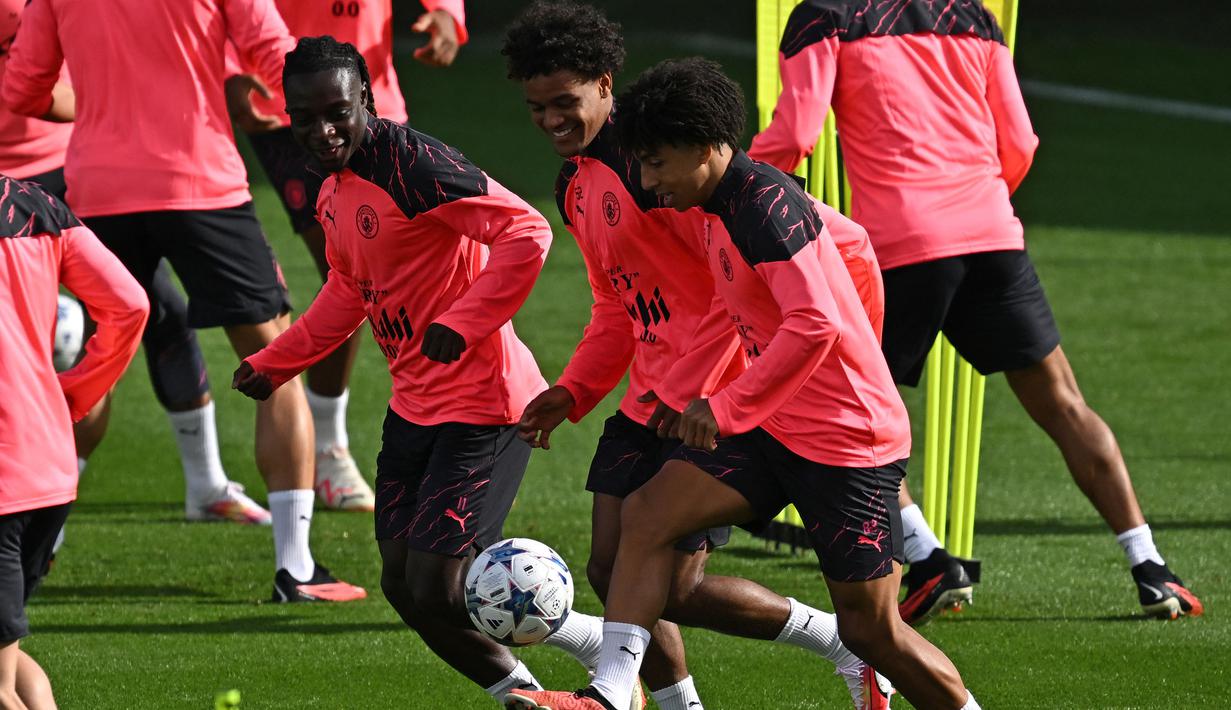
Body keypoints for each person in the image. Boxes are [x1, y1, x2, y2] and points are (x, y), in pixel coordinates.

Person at [506, 58, 981, 710]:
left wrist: (735, 401)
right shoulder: (711, 206)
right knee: (646, 516)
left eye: (657, 165)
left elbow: (816, 321)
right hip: (771, 427)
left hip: (845, 442)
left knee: (872, 631)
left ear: (705, 149)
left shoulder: (763, 208)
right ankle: (611, 694)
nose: (648, 182)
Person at [748, 0, 1202, 622]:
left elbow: (797, 135)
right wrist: (976, 203)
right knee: (1065, 404)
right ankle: (1151, 567)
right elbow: (1020, 141)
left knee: (849, 413)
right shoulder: (973, 16)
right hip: (991, 232)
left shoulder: (823, 17)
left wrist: (740, 193)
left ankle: (928, 558)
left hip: (903, 244)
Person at [232, 36, 614, 704]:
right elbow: (349, 288)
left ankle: (606, 649)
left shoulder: (413, 165)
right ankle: (526, 691)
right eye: (304, 118)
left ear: (365, 99)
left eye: (336, 113)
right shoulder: (335, 186)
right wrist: (275, 362)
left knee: (441, 584)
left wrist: (462, 321)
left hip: (485, 406)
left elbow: (526, 231)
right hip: (414, 407)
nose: (322, 131)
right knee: (403, 585)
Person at [3, 0, 365, 601]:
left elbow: (22, 90)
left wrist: (106, 109)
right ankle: (296, 568)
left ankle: (35, 551)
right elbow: (279, 58)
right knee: (274, 361)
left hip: (99, 188)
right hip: (200, 184)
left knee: (95, 366)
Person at [0, 0, 269, 529]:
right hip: (18, 186)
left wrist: (113, 105)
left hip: (67, 170)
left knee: (155, 310)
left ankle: (204, 483)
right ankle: (40, 502)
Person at [224, 0, 470, 511]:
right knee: (350, 269)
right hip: (284, 102)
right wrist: (229, 66)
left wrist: (447, 12)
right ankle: (330, 448)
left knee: (402, 269)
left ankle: (437, 425)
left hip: (373, 100)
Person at [0, 174, 149, 710]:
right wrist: (69, 397)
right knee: (10, 659)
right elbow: (130, 305)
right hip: (47, 468)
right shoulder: (37, 205)